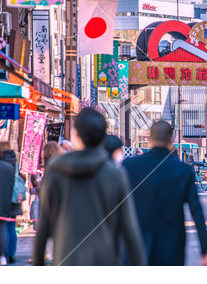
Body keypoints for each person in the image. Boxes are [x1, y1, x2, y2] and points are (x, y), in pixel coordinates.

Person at [33, 108, 146, 266]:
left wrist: (38, 262)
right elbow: (130, 230)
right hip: (105, 261)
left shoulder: (55, 169)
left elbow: (44, 224)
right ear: (102, 137)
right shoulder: (115, 174)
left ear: (76, 134)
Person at [123, 121, 207, 266]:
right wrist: (205, 249)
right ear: (172, 139)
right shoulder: (182, 170)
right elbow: (197, 211)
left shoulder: (130, 166)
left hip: (136, 244)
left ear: (149, 139)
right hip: (171, 244)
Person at [0, 142, 24, 265]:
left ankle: (4, 254)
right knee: (11, 227)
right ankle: (12, 254)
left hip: (3, 198)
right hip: (15, 199)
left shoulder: (0, 162)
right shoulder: (15, 161)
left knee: (3, 227)